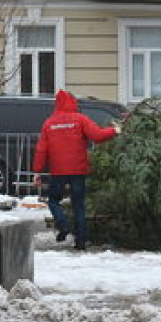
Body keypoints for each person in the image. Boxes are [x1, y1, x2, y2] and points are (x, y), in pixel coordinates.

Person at [32, 89, 119, 251]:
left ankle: (63, 224)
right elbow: (98, 136)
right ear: (73, 103)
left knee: (53, 200)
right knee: (78, 205)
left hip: (58, 171)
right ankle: (80, 242)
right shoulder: (80, 119)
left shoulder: (49, 123)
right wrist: (114, 130)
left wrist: (37, 171)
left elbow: (41, 150)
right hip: (78, 170)